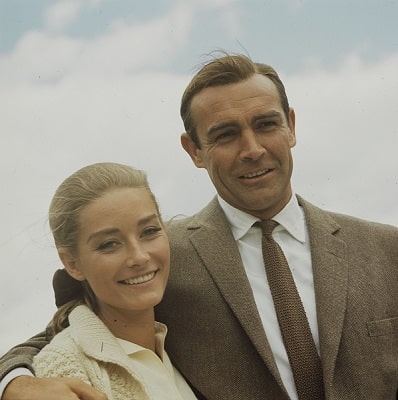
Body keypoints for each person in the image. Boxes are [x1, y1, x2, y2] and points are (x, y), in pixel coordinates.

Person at [1, 53, 398, 400]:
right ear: (193, 151)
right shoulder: (160, 258)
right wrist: (14, 381)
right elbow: (63, 333)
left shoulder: (385, 249)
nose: (252, 149)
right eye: (225, 135)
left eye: (266, 124)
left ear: (291, 126)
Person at [1, 162, 198, 400]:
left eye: (149, 231)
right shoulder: (66, 374)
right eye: (109, 244)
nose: (139, 256)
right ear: (72, 263)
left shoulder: (176, 346)